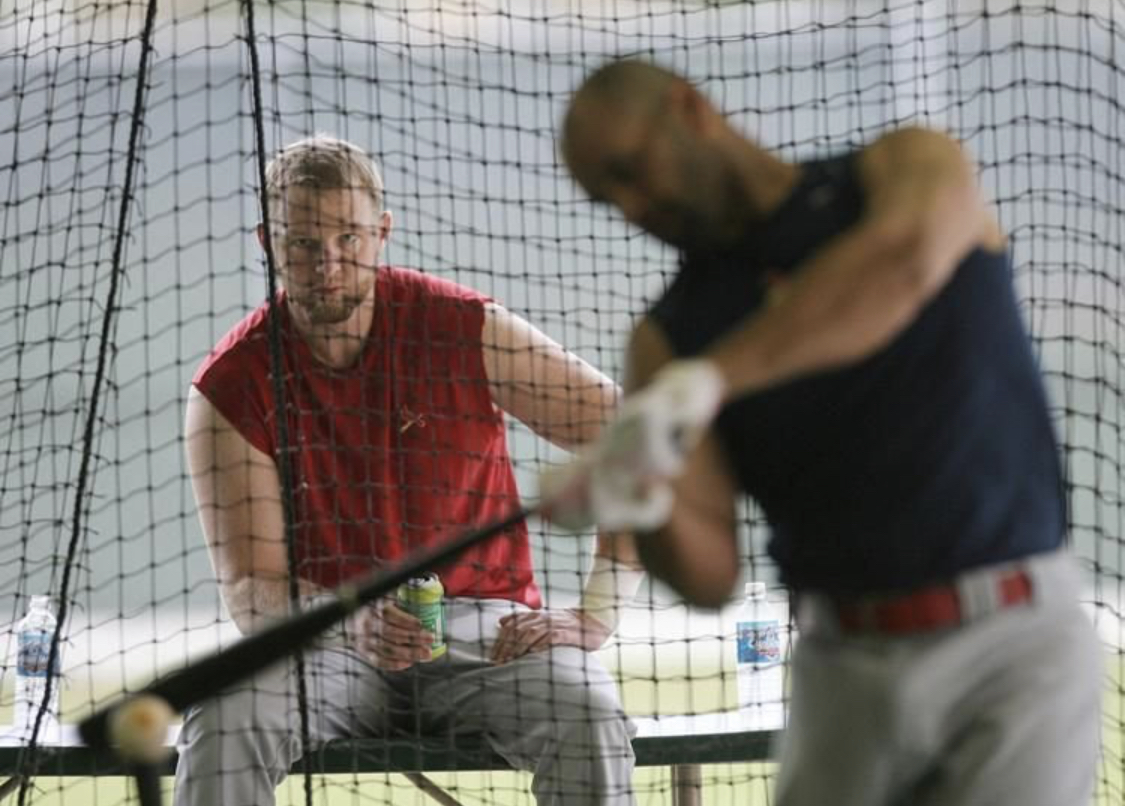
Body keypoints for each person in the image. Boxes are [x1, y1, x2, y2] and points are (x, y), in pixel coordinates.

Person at [549, 59, 1103, 806]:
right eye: (603, 196)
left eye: (630, 170)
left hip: (1012, 645)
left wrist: (713, 378)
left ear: (689, 106)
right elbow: (711, 578)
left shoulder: (902, 167)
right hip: (841, 664)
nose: (630, 205)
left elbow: (899, 266)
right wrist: (640, 498)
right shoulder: (667, 338)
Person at [177, 134, 643, 806]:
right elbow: (252, 588)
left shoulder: (461, 326)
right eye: (303, 243)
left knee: (588, 712)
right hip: (328, 644)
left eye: (349, 237)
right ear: (266, 241)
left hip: (488, 633)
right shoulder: (231, 384)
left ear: (382, 231)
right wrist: (348, 618)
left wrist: (598, 611)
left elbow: (629, 434)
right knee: (221, 718)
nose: (328, 263)